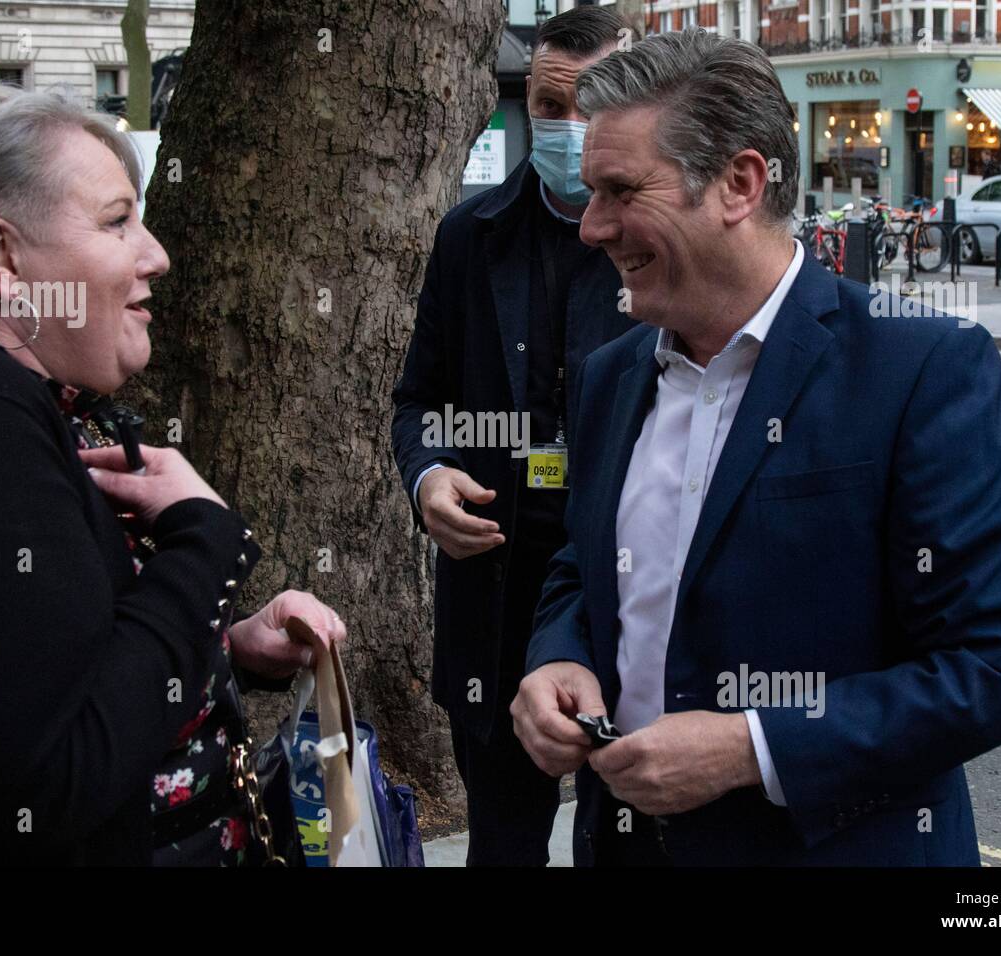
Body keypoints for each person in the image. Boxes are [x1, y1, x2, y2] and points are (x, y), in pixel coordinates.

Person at [511, 29, 1001, 866]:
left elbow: (995, 670)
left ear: (738, 183)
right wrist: (559, 658)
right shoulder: (613, 374)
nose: (591, 227)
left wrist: (749, 748)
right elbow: (585, 568)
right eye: (590, 193)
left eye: (619, 191)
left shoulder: (921, 368)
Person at [0, 84, 347, 866]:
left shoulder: (2, 396)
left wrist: (223, 651)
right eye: (116, 221)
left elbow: (39, 669)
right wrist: (204, 545)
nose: (155, 255)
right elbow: (50, 780)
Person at [391, 4, 635, 866]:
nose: (561, 128)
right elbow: (417, 399)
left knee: (630, 838)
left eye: (583, 108)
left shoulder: (652, 244)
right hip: (492, 595)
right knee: (503, 841)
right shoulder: (471, 236)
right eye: (545, 105)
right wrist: (428, 479)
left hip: (622, 598)